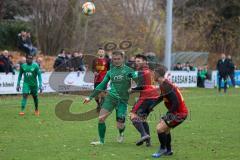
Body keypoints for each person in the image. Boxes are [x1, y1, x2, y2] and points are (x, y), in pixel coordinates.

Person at [84, 50, 134, 145]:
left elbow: (137, 80)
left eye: (118, 59)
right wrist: (90, 97)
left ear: (122, 59)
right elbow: (101, 85)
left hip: (122, 100)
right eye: (114, 59)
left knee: (120, 125)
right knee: (101, 118)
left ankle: (121, 133)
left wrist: (133, 87)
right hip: (111, 98)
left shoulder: (129, 71)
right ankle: (101, 141)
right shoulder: (110, 72)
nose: (116, 61)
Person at [151, 66, 188, 158]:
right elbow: (162, 97)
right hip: (178, 112)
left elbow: (176, 102)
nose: (152, 76)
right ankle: (168, 150)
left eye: (153, 74)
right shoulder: (163, 84)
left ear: (157, 75)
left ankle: (162, 149)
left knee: (160, 128)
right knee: (166, 130)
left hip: (179, 113)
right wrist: (151, 106)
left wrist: (168, 114)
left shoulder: (166, 85)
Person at [129, 54, 160, 147]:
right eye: (136, 61)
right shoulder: (150, 71)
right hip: (154, 97)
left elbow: (142, 86)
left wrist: (132, 90)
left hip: (147, 96)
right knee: (142, 118)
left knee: (133, 115)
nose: (136, 63)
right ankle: (148, 141)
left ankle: (144, 135)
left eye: (139, 61)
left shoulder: (143, 72)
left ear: (145, 62)